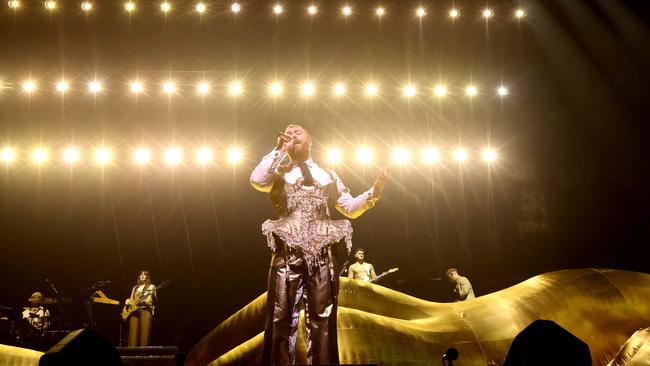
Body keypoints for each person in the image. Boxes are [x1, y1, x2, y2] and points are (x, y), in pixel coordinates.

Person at [251, 124, 388, 365]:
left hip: (323, 253)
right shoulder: (279, 171)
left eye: (297, 132)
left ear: (310, 140)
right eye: (288, 133)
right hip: (288, 251)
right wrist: (280, 149)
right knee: (279, 318)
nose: (291, 135)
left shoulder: (329, 174)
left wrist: (375, 189)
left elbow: (349, 208)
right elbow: (257, 180)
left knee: (323, 321)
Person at [124, 270, 157, 347]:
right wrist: (128, 300)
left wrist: (150, 297)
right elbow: (132, 298)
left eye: (144, 275)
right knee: (132, 332)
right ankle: (131, 352)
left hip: (145, 309)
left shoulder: (151, 286)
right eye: (141, 274)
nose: (142, 276)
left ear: (147, 277)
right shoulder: (135, 287)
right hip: (134, 311)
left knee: (144, 333)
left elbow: (155, 300)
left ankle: (143, 353)